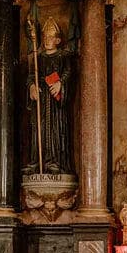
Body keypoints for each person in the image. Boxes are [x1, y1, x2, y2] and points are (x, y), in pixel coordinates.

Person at [25, 18, 74, 175]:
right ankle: (36, 161)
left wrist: (60, 83)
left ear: (58, 40)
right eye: (45, 37)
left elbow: (68, 72)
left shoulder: (63, 56)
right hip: (41, 99)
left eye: (51, 37)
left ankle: (55, 161)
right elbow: (31, 75)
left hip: (55, 101)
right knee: (38, 129)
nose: (47, 40)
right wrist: (32, 86)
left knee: (54, 129)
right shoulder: (38, 57)